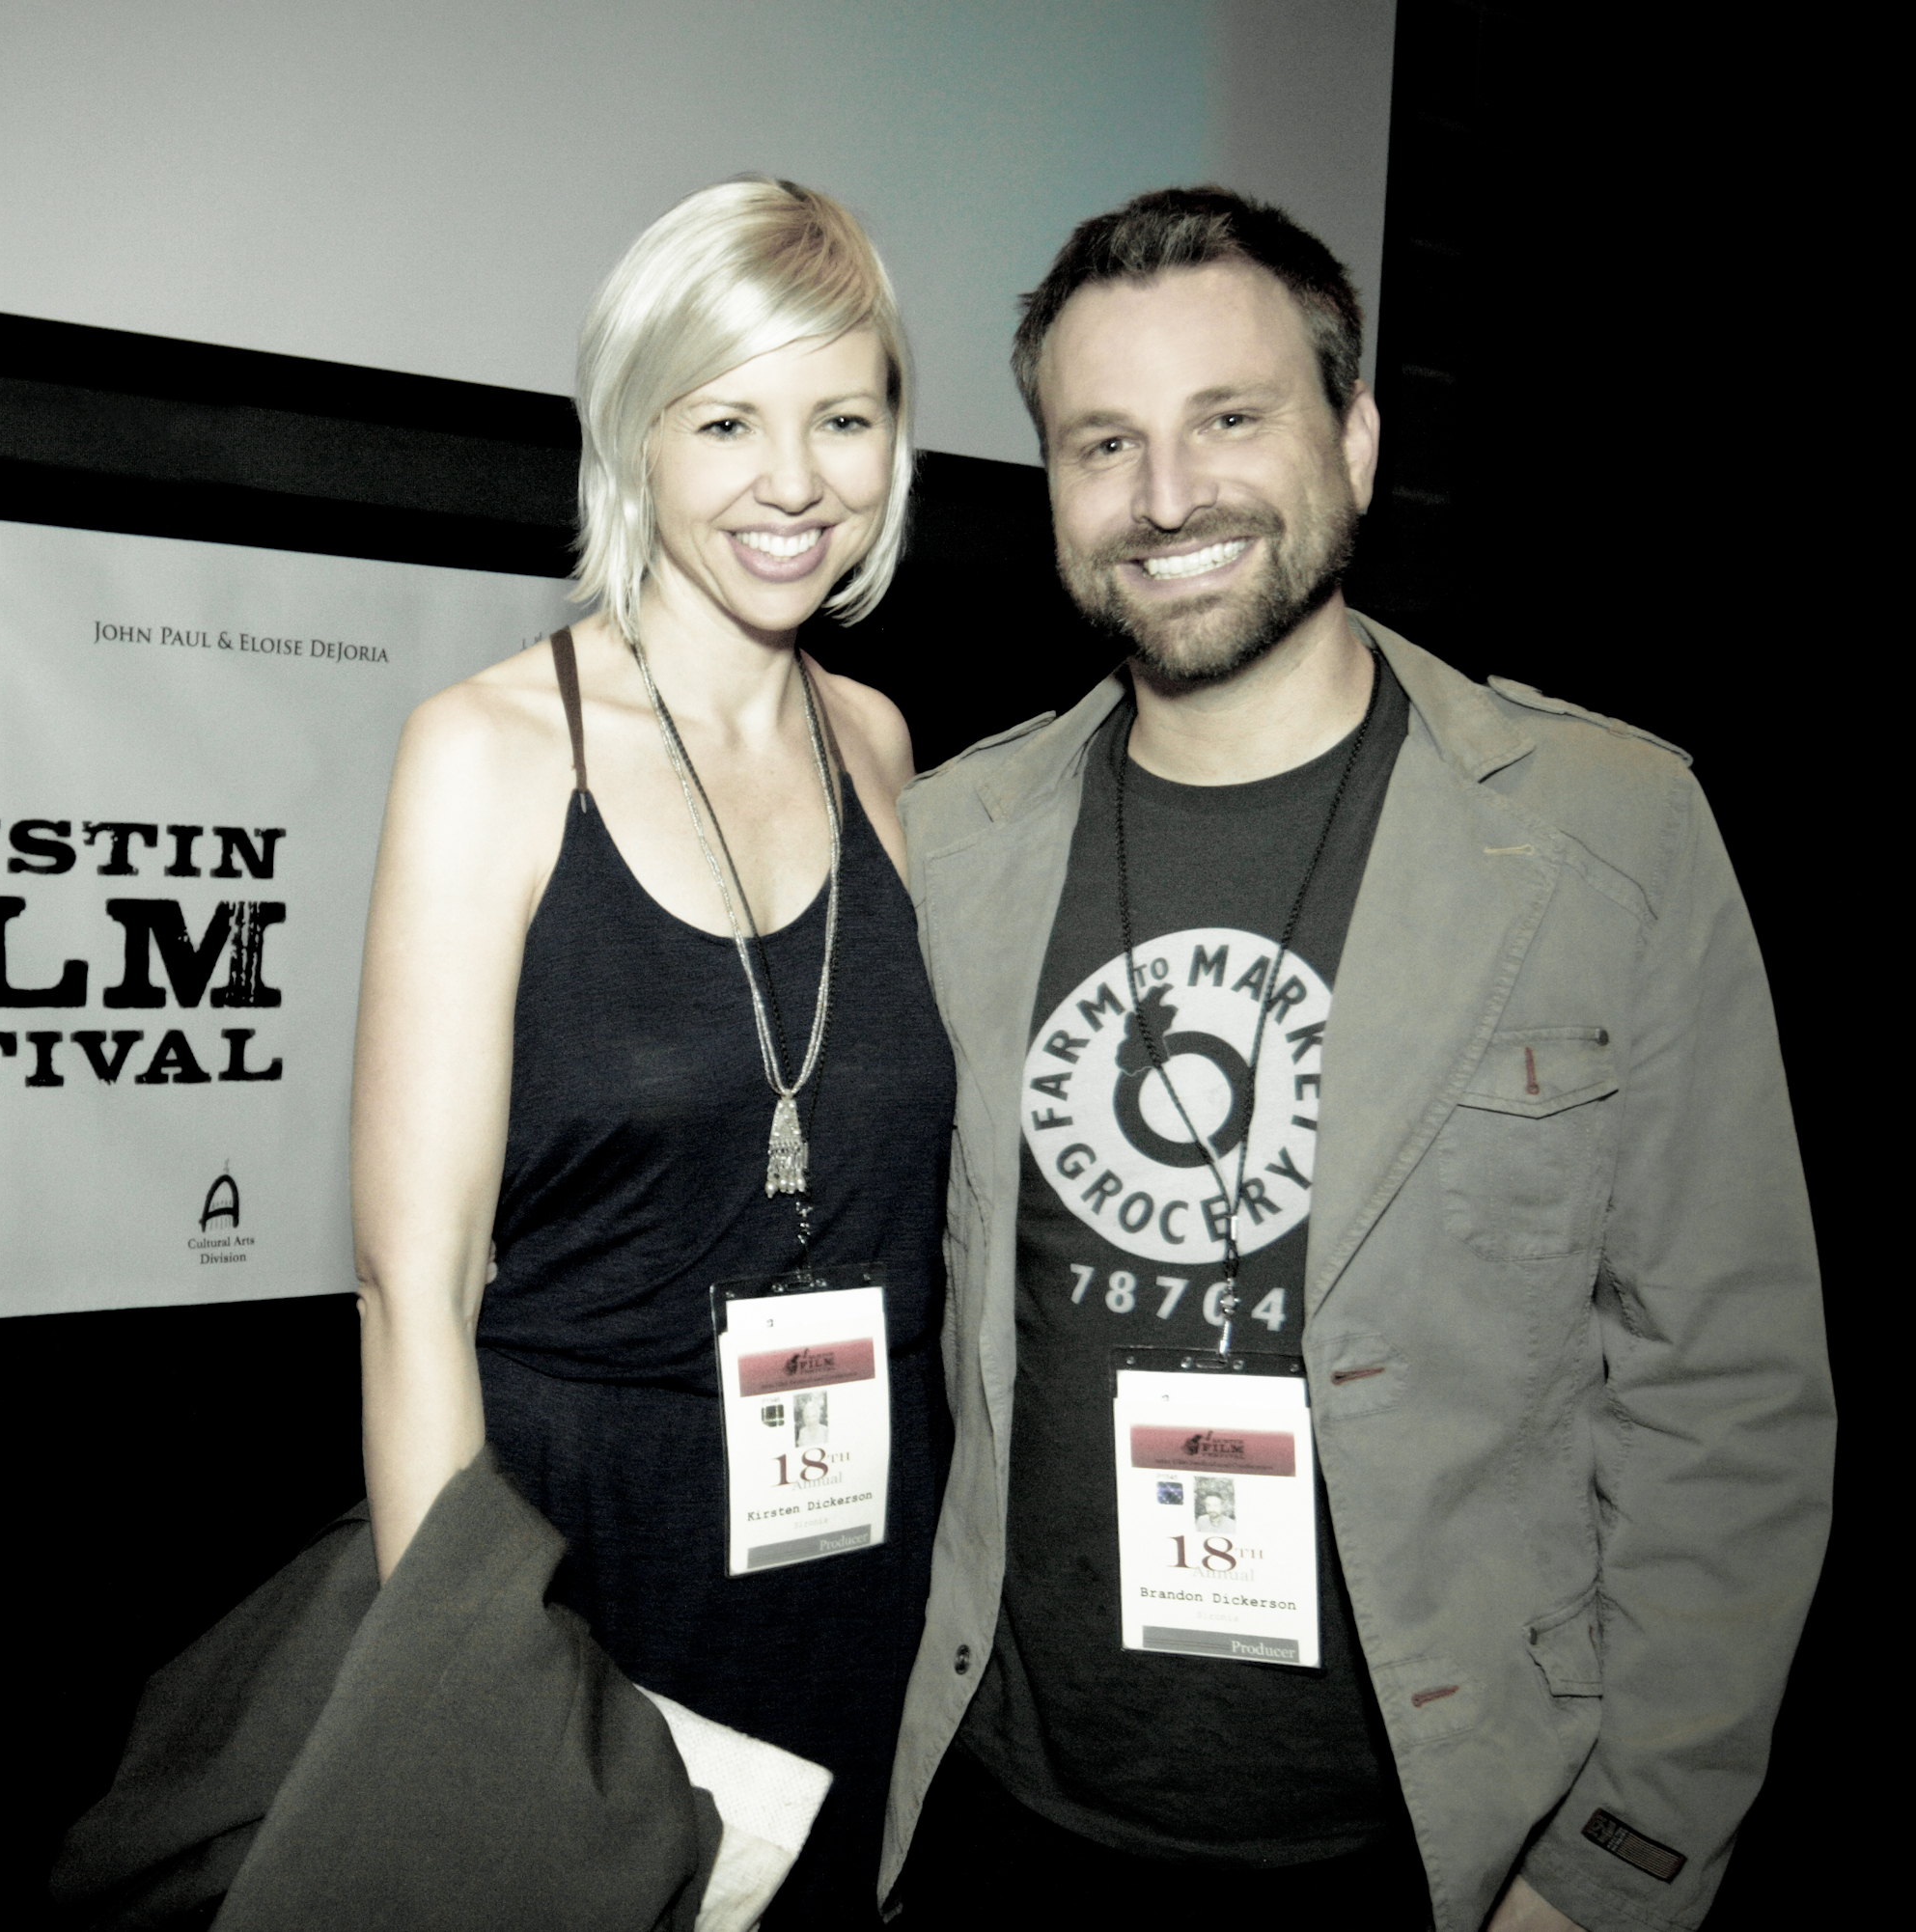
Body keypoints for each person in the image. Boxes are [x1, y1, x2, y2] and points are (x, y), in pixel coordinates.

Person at [880, 187, 1831, 1932]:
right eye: (1106, 442)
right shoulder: (950, 846)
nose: (1169, 498)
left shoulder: (1611, 835)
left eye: (1230, 419)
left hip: (1438, 1857)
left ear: (1359, 438)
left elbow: (1731, 1396)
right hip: (1008, 1823)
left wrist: (1616, 1869)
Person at [351, 177, 956, 1926]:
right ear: (636, 435)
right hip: (576, 1559)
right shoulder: (487, 748)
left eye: (843, 417)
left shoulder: (884, 742)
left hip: (860, 1545)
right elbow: (411, 1289)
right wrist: (464, 1704)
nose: (795, 481)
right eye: (729, 420)